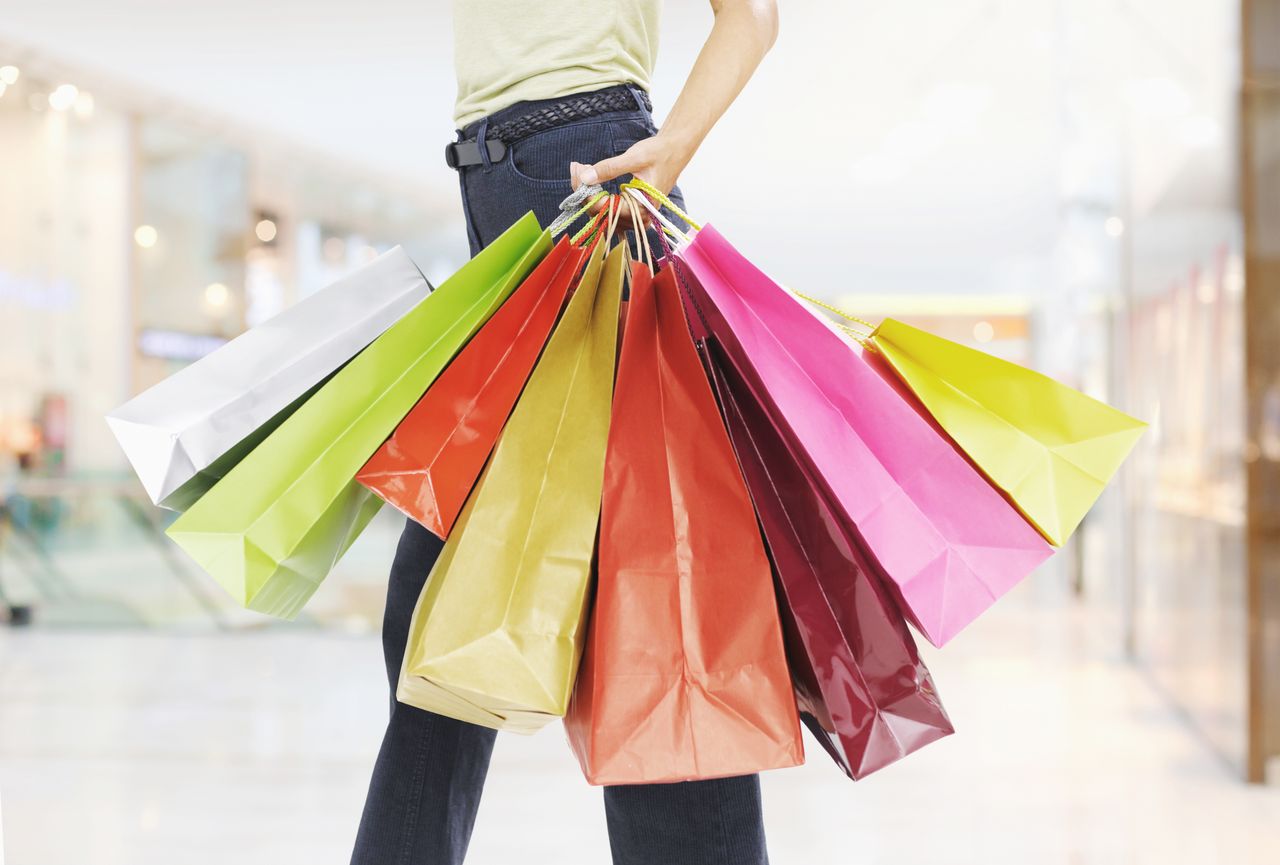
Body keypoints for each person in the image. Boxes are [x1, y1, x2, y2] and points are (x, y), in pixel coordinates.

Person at [350, 2, 780, 863]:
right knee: (439, 617)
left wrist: (674, 148)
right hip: (503, 186)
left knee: (654, 588)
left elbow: (753, 14)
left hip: (585, 172)